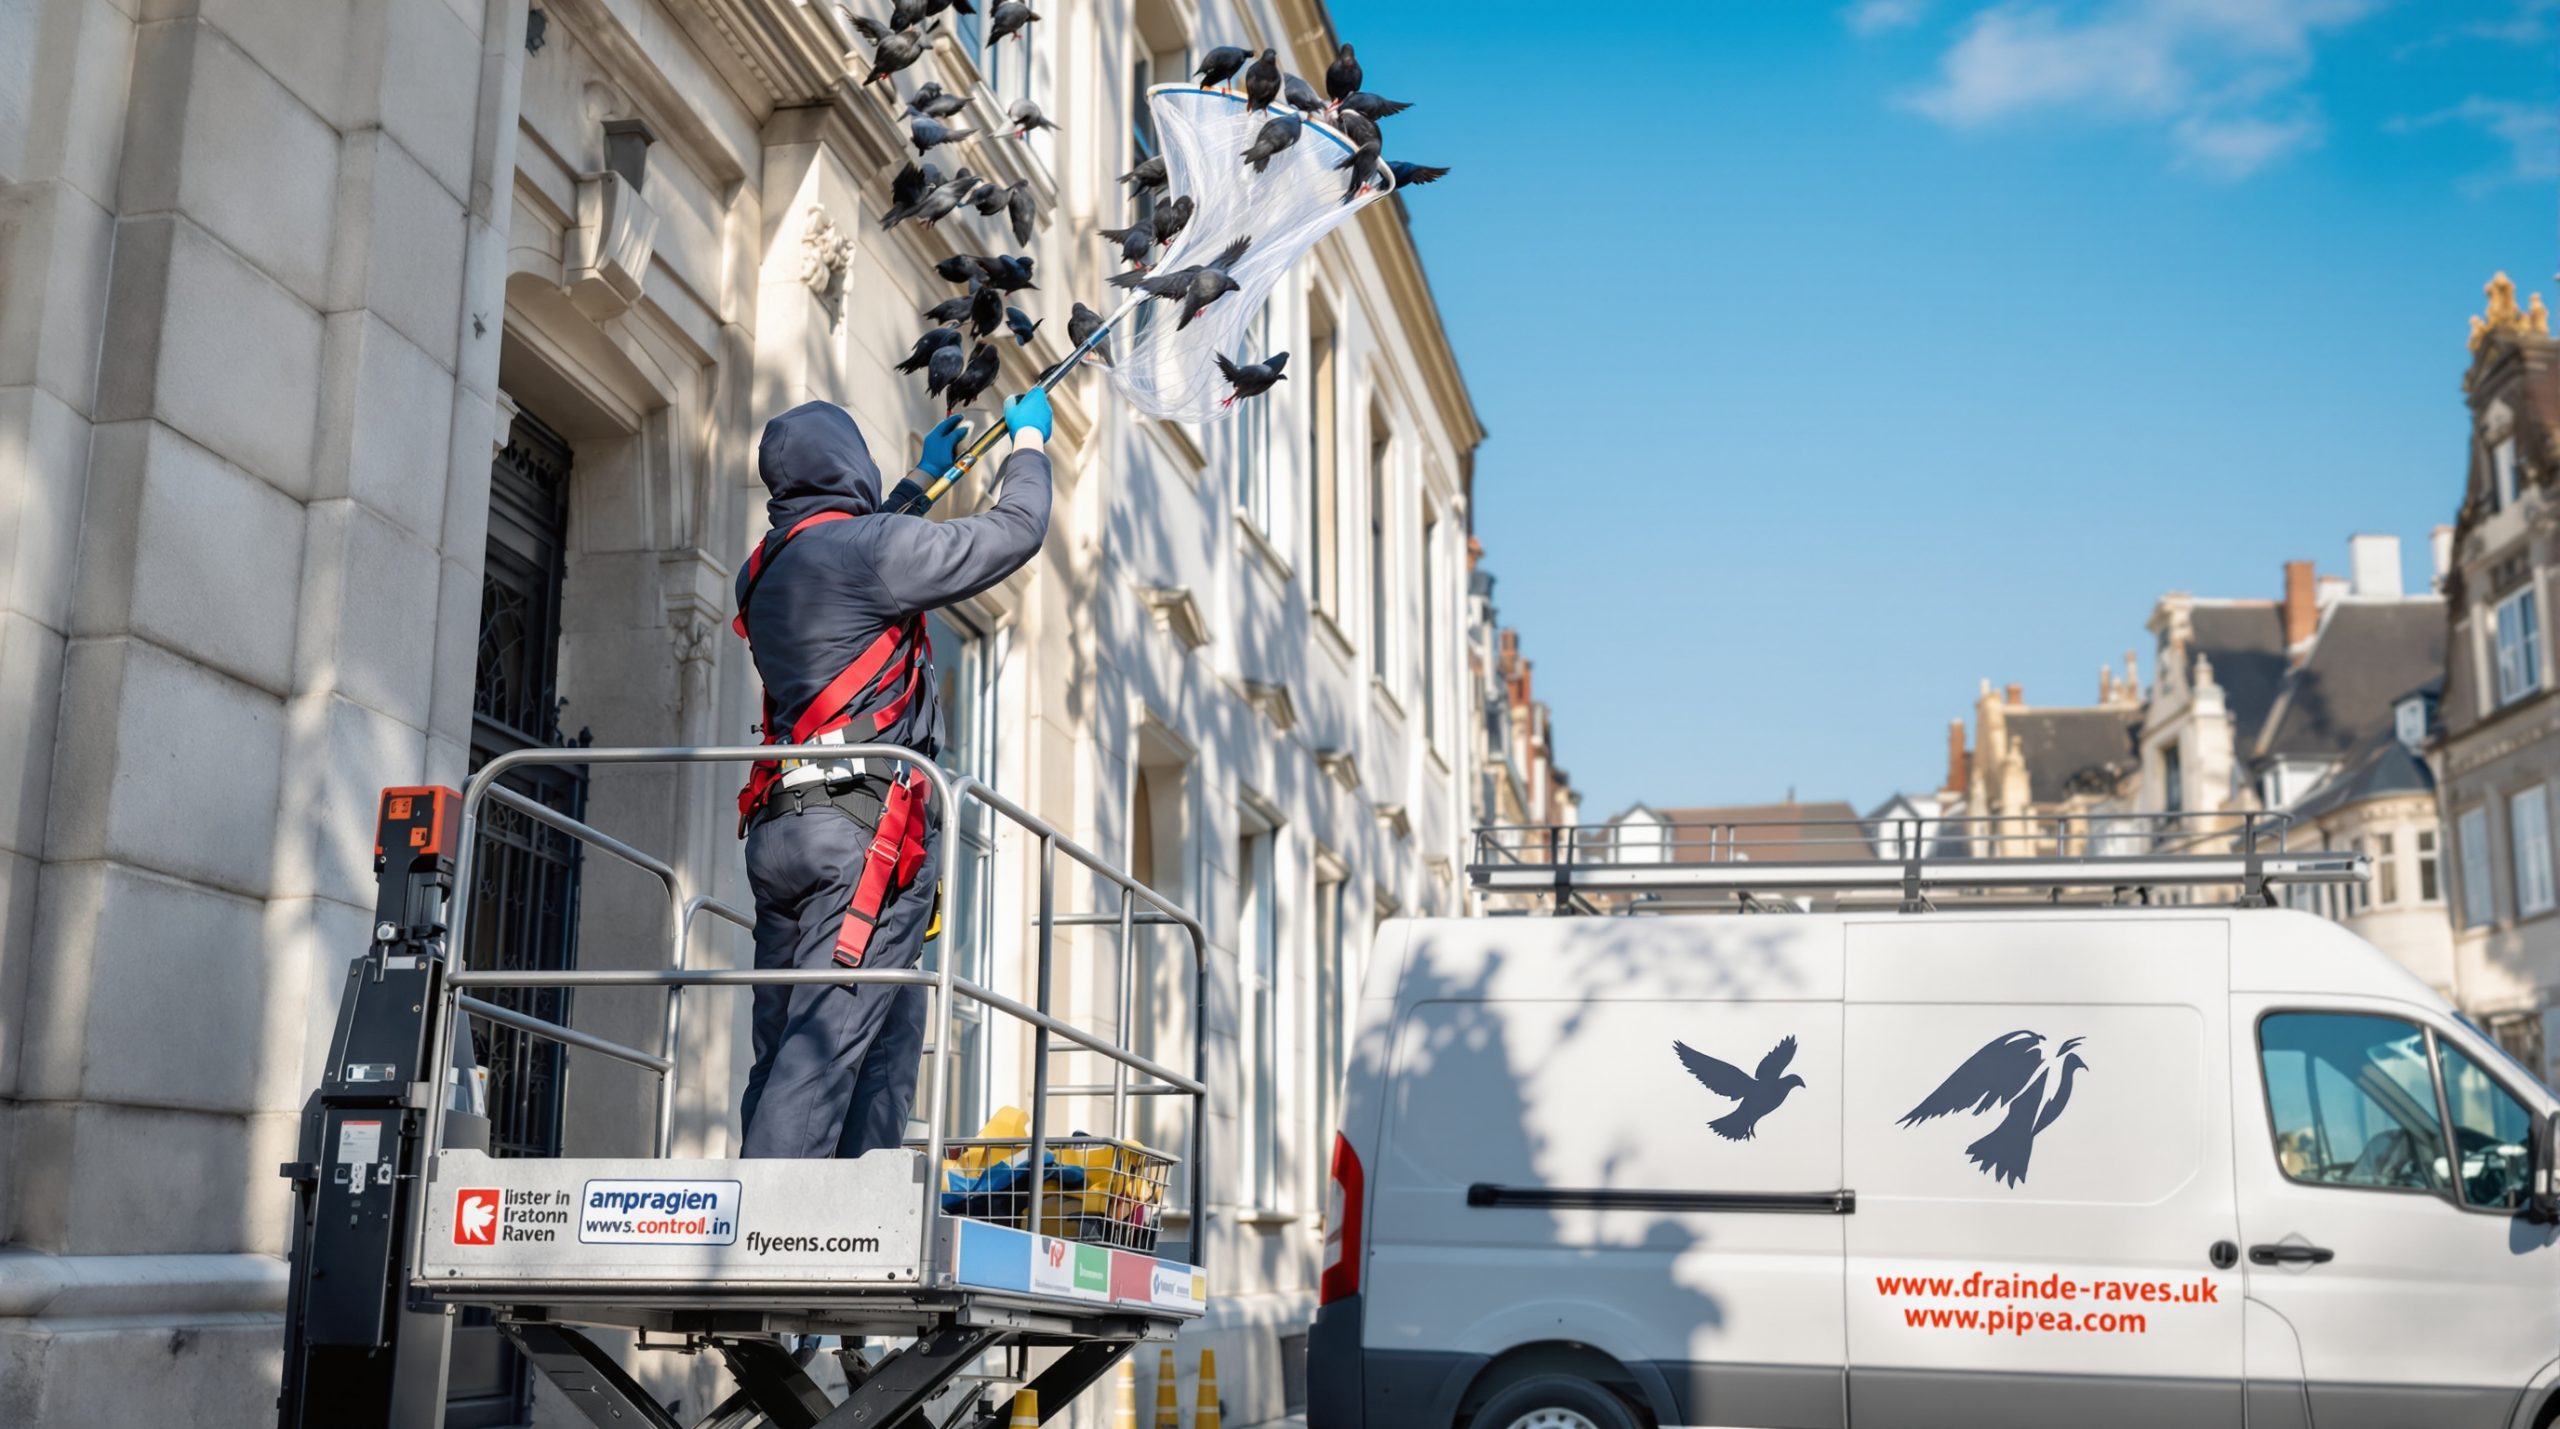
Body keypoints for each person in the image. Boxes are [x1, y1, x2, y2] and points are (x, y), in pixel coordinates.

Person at [732, 389, 1053, 1159]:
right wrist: (1030, 446)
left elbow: (852, 549)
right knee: (819, 1060)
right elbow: (1015, 530)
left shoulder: (762, 571)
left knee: (803, 1049)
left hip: (785, 830)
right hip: (863, 839)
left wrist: (924, 480)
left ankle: (841, 1216)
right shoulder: (868, 553)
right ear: (850, 466)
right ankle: (768, 1230)